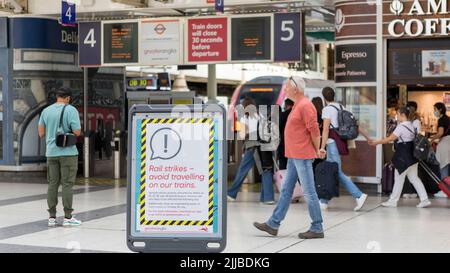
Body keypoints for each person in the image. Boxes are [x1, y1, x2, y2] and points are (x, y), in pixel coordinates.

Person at [253, 76, 325, 240]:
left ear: (295, 89)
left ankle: (317, 226)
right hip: (294, 155)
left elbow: (314, 131)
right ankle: (273, 224)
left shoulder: (306, 106)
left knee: (309, 191)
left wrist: (318, 149)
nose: (284, 89)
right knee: (286, 191)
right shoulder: (298, 105)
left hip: (302, 155)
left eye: (286, 87)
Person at [318, 87, 369, 211]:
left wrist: (321, 147)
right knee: (331, 171)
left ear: (324, 97)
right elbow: (355, 125)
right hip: (340, 142)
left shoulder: (327, 109)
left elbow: (325, 130)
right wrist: (367, 137)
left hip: (331, 143)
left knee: (337, 172)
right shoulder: (341, 107)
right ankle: (324, 201)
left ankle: (359, 195)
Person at [369, 107, 431, 208]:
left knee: (398, 178)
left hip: (403, 157)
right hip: (412, 157)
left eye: (397, 114)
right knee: (414, 178)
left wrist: (376, 142)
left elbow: (390, 139)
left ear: (402, 115)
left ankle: (393, 201)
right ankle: (425, 199)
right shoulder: (411, 125)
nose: (396, 116)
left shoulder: (401, 127)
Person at [38, 88, 82, 227]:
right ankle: (68, 217)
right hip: (68, 153)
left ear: (57, 97)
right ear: (68, 98)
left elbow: (41, 133)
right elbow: (77, 132)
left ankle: (51, 217)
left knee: (52, 184)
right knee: (67, 184)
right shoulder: (71, 110)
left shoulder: (46, 111)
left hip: (51, 153)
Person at [227, 97, 276, 205]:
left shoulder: (246, 117)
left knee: (242, 171)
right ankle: (267, 198)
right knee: (266, 170)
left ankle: (231, 194)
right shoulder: (261, 115)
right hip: (265, 146)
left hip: (253, 147)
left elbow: (242, 134)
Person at [430, 102, 450, 198]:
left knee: (443, 166)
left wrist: (432, 139)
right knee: (447, 165)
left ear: (440, 109)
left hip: (445, 144)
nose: (434, 112)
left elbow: (440, 133)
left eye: (435, 110)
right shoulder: (448, 119)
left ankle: (445, 190)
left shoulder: (441, 120)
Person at [278, 98, 294, 170]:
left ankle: (284, 180)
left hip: (284, 143)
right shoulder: (297, 114)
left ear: (287, 105)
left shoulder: (283, 115)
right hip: (295, 144)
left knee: (283, 165)